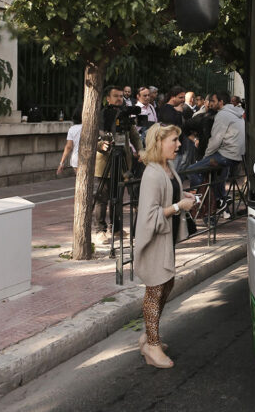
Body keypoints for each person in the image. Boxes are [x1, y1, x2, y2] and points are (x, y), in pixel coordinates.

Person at [134, 123, 197, 369]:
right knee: (155, 290)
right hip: (154, 239)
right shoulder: (151, 173)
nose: (179, 145)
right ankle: (151, 346)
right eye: (174, 140)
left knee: (166, 284)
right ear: (158, 143)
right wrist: (179, 207)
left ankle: (149, 336)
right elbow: (149, 217)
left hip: (165, 238)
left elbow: (170, 195)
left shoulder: (167, 167)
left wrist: (184, 197)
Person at [94, 86, 145, 239]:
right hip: (104, 163)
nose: (119, 99)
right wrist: (100, 145)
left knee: (118, 197)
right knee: (102, 199)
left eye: (121, 96)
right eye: (115, 96)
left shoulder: (125, 115)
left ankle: (116, 229)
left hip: (123, 161)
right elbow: (92, 137)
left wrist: (141, 150)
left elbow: (135, 136)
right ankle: (100, 230)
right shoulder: (101, 115)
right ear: (107, 98)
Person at [180, 91, 244, 214]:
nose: (210, 104)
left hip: (225, 155)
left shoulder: (222, 115)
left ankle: (201, 199)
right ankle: (220, 200)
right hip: (236, 156)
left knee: (192, 170)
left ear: (221, 102)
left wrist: (206, 156)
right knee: (216, 176)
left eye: (213, 101)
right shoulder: (236, 113)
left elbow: (216, 140)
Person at [57, 107, 83, 175]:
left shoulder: (72, 129)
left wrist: (61, 163)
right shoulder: (91, 128)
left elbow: (69, 147)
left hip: (76, 159)